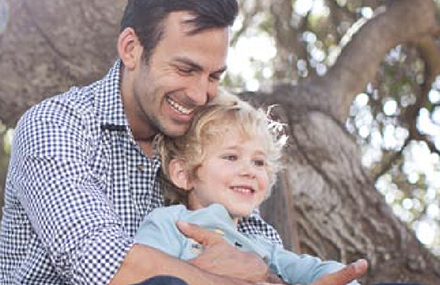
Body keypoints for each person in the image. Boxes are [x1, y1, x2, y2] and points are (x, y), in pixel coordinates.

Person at [0, 0, 367, 284]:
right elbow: (99, 262)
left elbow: (259, 250)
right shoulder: (58, 125)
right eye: (185, 69)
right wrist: (216, 277)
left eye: (214, 76)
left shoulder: (205, 139)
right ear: (131, 49)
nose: (199, 93)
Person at [134, 92, 361, 285]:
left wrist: (342, 276)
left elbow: (310, 270)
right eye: (231, 157)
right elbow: (140, 271)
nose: (249, 171)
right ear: (183, 174)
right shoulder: (169, 223)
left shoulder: (261, 246)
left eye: (259, 162)